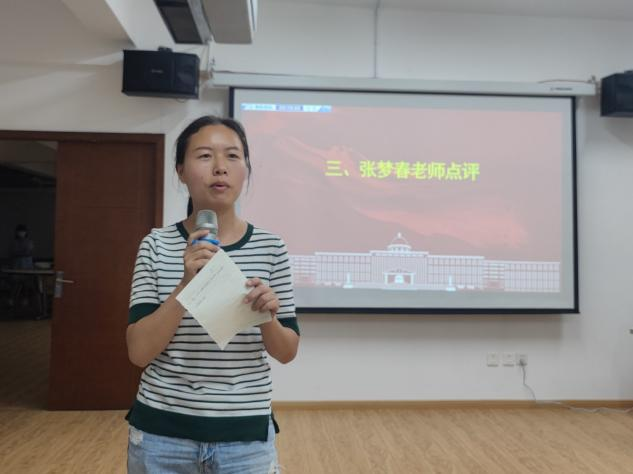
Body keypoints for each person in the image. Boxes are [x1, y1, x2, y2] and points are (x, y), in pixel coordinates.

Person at [125, 115, 300, 474]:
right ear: (180, 171)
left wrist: (266, 318)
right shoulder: (156, 245)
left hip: (245, 436)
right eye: (204, 156)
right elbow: (139, 352)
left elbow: (286, 352)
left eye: (232, 156)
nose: (220, 167)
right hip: (162, 433)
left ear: (246, 169)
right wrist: (185, 285)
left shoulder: (271, 247)